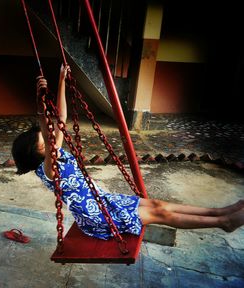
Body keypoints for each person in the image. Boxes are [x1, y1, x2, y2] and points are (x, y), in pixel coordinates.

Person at [12, 64, 244, 240]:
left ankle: (219, 212)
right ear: (37, 150)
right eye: (45, 137)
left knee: (157, 205)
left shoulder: (56, 153)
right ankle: (224, 222)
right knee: (160, 214)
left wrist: (61, 80)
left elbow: (60, 118)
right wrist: (39, 102)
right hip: (98, 217)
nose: (50, 135)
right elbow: (48, 125)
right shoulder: (48, 169)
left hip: (104, 200)